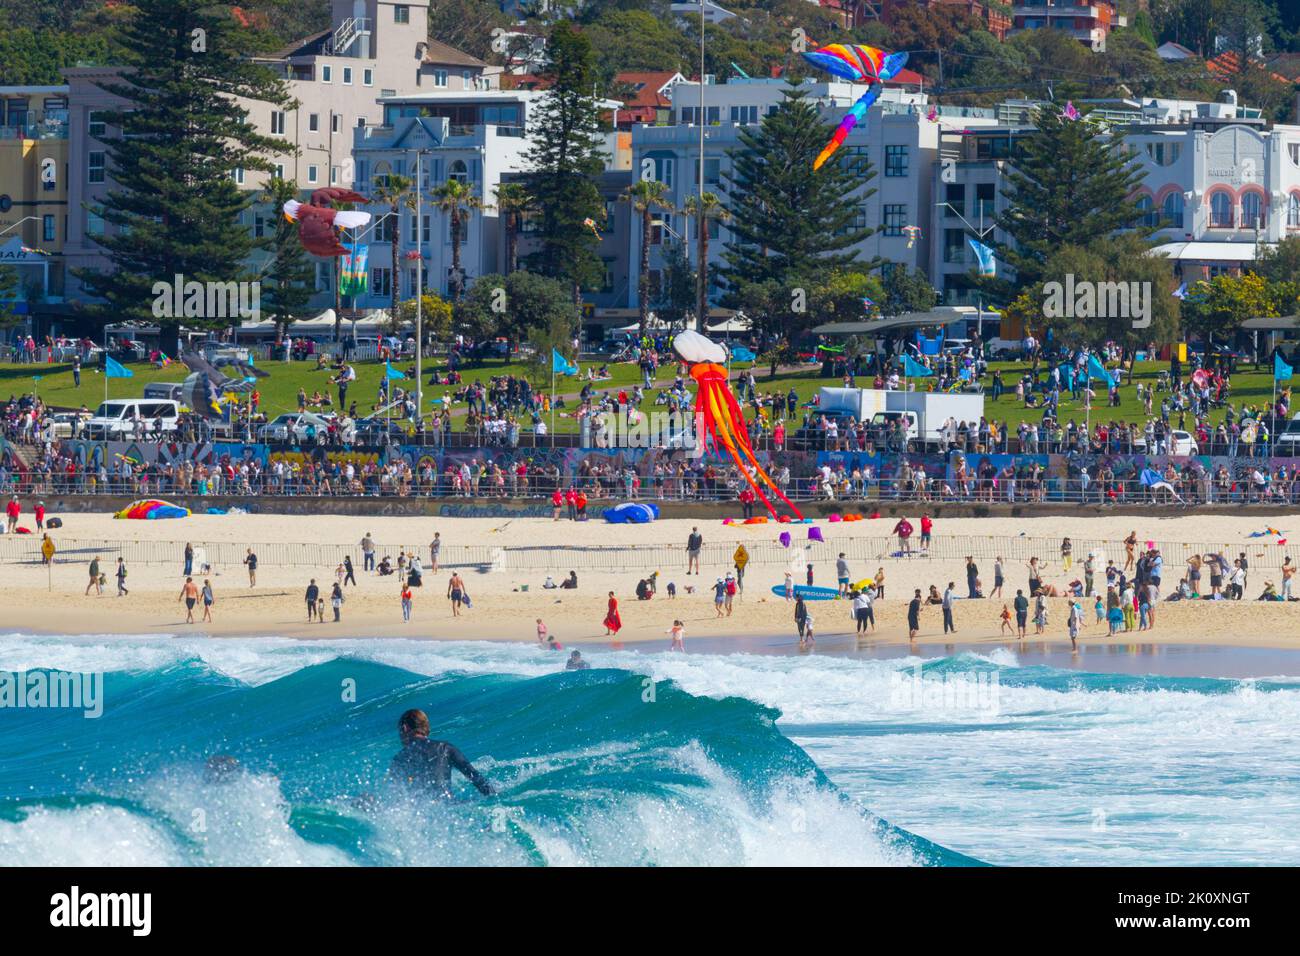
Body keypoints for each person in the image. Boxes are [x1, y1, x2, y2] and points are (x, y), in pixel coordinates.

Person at [388, 709, 494, 799]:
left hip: (426, 813)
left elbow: (396, 795)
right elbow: (475, 777)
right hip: (450, 806)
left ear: (405, 728)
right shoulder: (445, 748)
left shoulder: (399, 758)